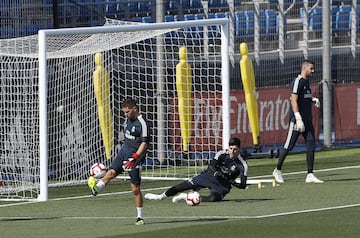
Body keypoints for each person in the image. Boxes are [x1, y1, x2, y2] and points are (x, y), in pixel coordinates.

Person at [88, 98, 150, 225]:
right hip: (123, 153)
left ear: (134, 109)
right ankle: (96, 188)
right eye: (124, 112)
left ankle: (140, 217)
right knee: (110, 173)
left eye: (127, 112)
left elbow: (144, 143)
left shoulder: (142, 123)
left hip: (135, 158)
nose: (125, 114)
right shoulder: (128, 120)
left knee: (135, 189)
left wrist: (134, 157)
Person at [144, 137, 248, 203]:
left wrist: (232, 182)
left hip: (223, 185)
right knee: (183, 185)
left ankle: (187, 197)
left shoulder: (242, 164)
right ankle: (160, 196)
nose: (232, 152)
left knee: (213, 199)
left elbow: (243, 185)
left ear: (239, 149)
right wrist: (217, 173)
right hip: (209, 176)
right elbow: (211, 167)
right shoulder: (221, 154)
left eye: (235, 149)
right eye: (231, 148)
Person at [272, 59, 323, 184]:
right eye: (311, 68)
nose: (313, 71)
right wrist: (297, 117)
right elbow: (293, 100)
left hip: (308, 120)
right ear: (304, 68)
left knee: (311, 144)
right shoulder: (297, 81)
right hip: (297, 121)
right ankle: (277, 169)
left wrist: (313, 100)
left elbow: (304, 97)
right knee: (289, 146)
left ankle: (310, 173)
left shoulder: (306, 82)